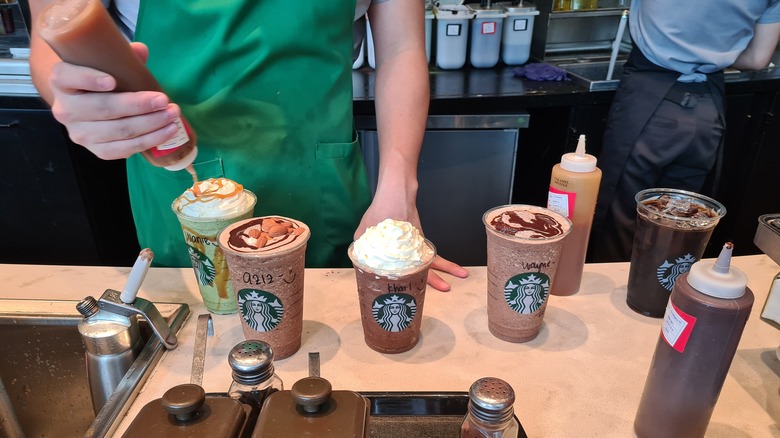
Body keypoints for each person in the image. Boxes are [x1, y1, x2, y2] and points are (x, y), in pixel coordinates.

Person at [28, 0, 468, 291]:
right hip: (180, 176)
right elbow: (51, 35)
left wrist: (399, 188)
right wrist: (71, 95)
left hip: (320, 182)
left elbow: (401, 48)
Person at [589, 0, 780, 262]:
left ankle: (610, 300)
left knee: (623, 217)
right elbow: (758, 59)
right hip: (707, 112)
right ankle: (663, 299)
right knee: (682, 222)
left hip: (649, 101)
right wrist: (711, 54)